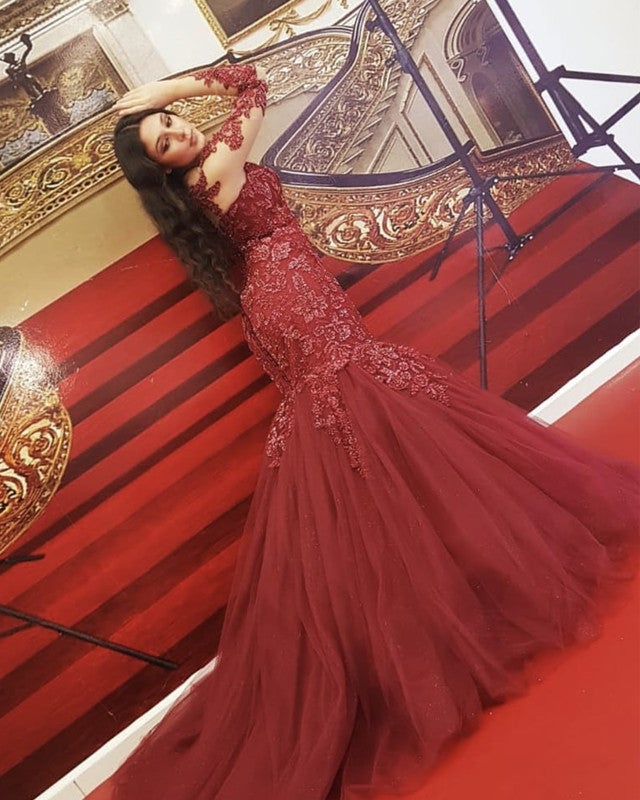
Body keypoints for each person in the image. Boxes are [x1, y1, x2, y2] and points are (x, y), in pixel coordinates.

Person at [93, 62, 638, 799]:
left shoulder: (196, 189)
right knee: (366, 417)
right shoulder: (214, 167)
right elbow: (253, 85)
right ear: (165, 167)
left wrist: (158, 108)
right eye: (165, 141)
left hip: (277, 301)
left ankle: (437, 610)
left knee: (361, 439)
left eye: (171, 124)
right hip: (293, 302)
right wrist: (175, 91)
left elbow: (220, 129)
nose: (180, 132)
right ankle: (443, 623)